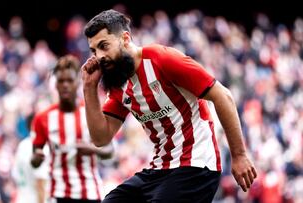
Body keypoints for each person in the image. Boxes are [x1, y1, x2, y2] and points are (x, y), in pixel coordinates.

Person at [81, 9, 257, 202]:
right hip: (160, 169)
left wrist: (239, 155)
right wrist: (89, 87)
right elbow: (101, 137)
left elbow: (223, 96)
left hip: (197, 165)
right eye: (94, 50)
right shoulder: (119, 83)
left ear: (124, 38)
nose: (99, 56)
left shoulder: (162, 59)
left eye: (104, 46)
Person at [30, 55, 114, 203]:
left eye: (69, 80)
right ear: (55, 84)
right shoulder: (42, 118)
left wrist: (92, 149)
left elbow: (110, 151)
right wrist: (37, 158)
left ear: (78, 82)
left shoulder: (91, 113)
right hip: (58, 193)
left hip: (90, 192)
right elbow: (34, 159)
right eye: (61, 81)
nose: (65, 85)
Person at [12, 114, 49, 203]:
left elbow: (15, 174)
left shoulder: (22, 145)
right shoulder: (40, 147)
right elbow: (40, 183)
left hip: (21, 199)